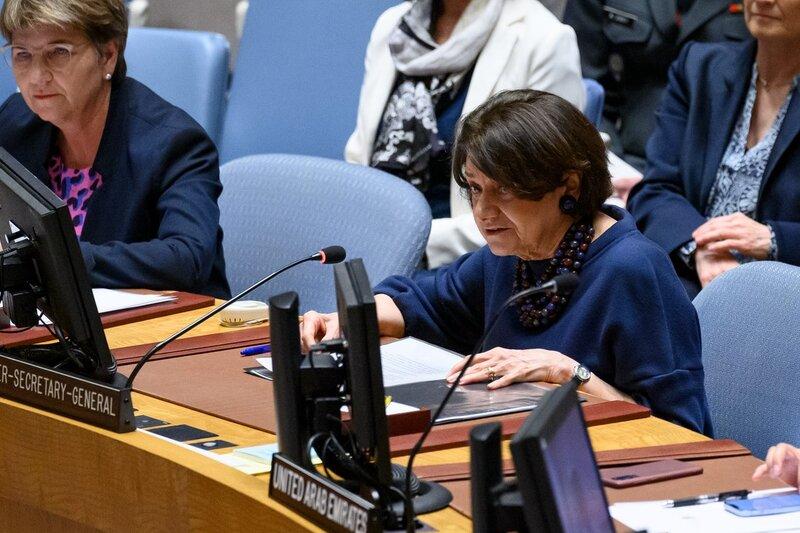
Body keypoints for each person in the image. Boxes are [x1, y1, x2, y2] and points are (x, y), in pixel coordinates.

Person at [305, 90, 712, 435]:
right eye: (475, 188)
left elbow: (680, 430)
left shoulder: (633, 270)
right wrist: (350, 317)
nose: (483, 211)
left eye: (504, 191)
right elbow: (423, 302)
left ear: (568, 185)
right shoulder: (514, 253)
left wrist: (568, 373)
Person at [0, 0, 230, 298]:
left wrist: (59, 257)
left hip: (175, 323)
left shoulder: (173, 143)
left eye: (58, 52)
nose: (37, 77)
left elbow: (187, 258)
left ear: (108, 56)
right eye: (23, 55)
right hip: (54, 321)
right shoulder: (15, 124)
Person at [345, 0, 585, 269]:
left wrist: (407, 241)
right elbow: (360, 154)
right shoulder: (392, 25)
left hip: (463, 262)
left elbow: (543, 209)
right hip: (374, 246)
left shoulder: (545, 39)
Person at [627, 0, 800, 298]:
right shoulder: (699, 68)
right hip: (686, 273)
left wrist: (774, 239)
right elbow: (655, 189)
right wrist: (700, 249)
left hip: (781, 297)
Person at [563, 0, 750, 170]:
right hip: (622, 154)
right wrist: (610, 166)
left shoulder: (758, 9)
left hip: (712, 167)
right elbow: (584, 88)